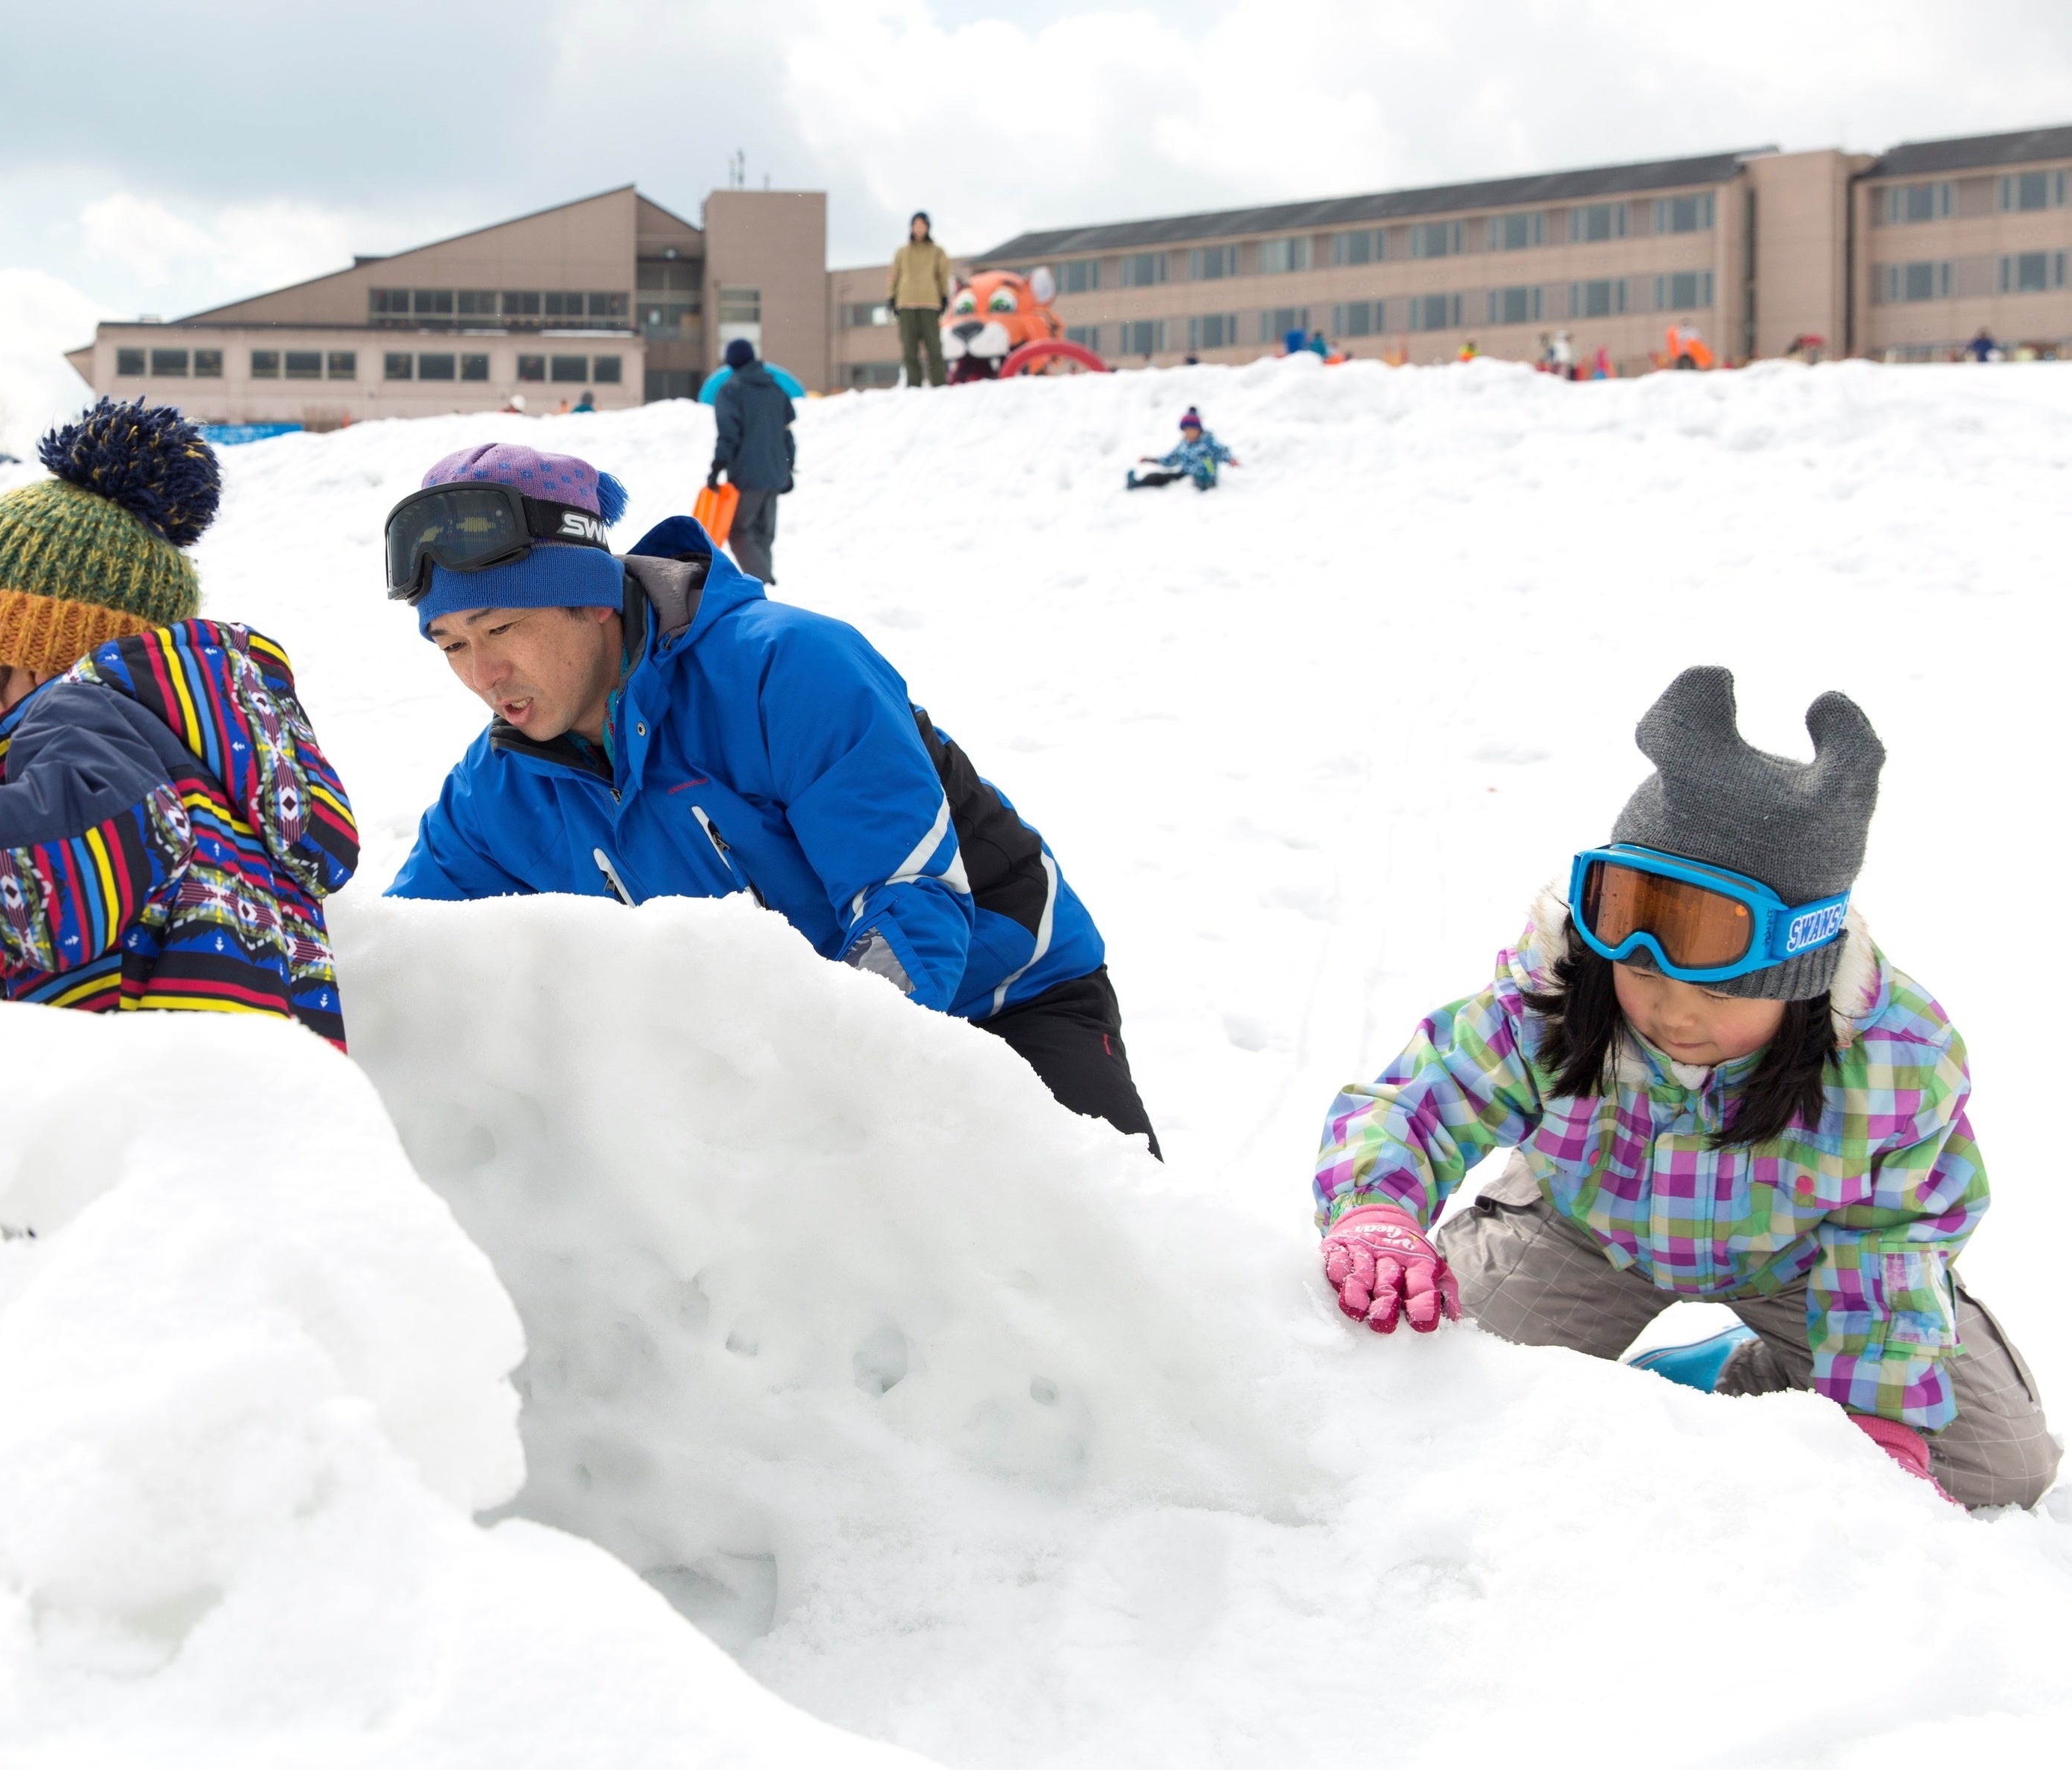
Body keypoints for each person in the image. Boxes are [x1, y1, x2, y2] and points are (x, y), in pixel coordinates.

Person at [1313, 667, 2058, 1510]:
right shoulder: (1556, 999)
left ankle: (1746, 1377)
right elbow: (1420, 1104)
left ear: (1801, 982)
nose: (1671, 1010)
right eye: (1641, 972)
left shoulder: (1895, 1060)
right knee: (1425, 1394)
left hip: (1809, 1266)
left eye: (1721, 992)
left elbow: (1892, 1241)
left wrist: (1882, 1414)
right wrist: (1376, 1206)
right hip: (1584, 1224)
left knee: (1998, 1472)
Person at [381, 442, 1158, 1150]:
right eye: (450, 645)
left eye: (501, 628)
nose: (481, 676)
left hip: (1008, 1001)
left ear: (591, 600)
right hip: (782, 1079)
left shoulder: (784, 669)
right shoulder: (495, 794)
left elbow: (909, 901)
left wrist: (816, 1093)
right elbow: (403, 962)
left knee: (1123, 1274)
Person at [0, 398, 359, 1041]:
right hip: (258, 1098)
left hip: (144, 1098)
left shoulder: (83, 714)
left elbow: (50, 871)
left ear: (34, 665)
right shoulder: (225, 767)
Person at [708, 337, 794, 586]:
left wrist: (717, 467)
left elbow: (728, 435)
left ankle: (762, 581)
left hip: (748, 475)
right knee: (763, 533)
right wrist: (788, 467)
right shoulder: (775, 388)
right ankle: (765, 580)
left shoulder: (731, 390)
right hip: (776, 474)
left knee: (739, 531)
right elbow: (787, 432)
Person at [888, 212, 951, 388]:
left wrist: (944, 296)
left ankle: (939, 384)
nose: (919, 228)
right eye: (916, 224)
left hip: (930, 302)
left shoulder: (937, 252)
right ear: (911, 227)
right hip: (906, 302)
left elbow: (942, 276)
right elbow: (894, 276)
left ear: (928, 227)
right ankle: (913, 385)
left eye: (922, 224)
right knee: (909, 349)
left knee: (934, 347)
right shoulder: (902, 252)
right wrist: (891, 297)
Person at [1126, 407, 1236, 492]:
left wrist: (1230, 459)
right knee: (1158, 477)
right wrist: (1152, 460)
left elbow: (1221, 451)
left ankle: (1206, 482)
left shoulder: (1208, 441)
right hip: (1187, 472)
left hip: (1206, 472)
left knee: (1206, 460)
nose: (1189, 434)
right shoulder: (1184, 445)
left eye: (1192, 430)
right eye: (1186, 431)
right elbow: (1171, 459)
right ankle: (1136, 483)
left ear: (1198, 430)